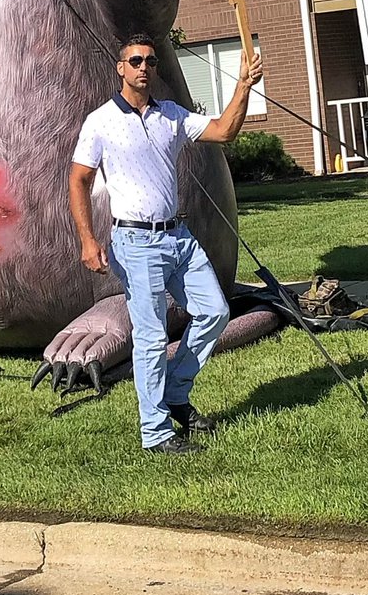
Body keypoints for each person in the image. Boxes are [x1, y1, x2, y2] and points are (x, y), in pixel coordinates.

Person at [69, 33, 264, 455]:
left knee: (214, 312)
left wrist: (244, 86)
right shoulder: (100, 121)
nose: (144, 67)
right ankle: (156, 433)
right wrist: (87, 239)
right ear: (121, 68)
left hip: (179, 237)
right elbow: (79, 179)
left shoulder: (171, 115)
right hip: (135, 242)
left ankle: (175, 391)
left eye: (151, 61)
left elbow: (224, 131)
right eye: (135, 60)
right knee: (152, 337)